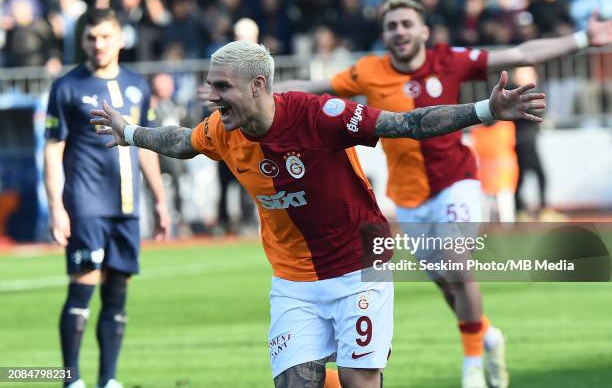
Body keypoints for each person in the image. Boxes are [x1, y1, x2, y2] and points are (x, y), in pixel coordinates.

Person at [90, 39, 544, 388]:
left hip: (358, 268)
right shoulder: (221, 131)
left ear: (258, 85)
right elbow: (182, 143)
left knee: (357, 380)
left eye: (222, 86)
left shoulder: (319, 115)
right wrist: (130, 132)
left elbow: (404, 123)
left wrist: (487, 110)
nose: (212, 96)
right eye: (211, 85)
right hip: (294, 282)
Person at [274, 0, 612, 388]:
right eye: (391, 26)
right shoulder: (369, 71)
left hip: (457, 182)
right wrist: (253, 93)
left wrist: (582, 38)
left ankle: (472, 366)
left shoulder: (449, 60)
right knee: (447, 286)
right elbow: (310, 87)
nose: (399, 32)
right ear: (384, 34)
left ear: (423, 31)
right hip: (410, 197)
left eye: (406, 24)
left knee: (456, 262)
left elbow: (520, 51)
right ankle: (485, 334)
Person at [44, 8, 169, 388]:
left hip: (127, 209)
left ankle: (109, 380)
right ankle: (71, 380)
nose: (97, 45)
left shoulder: (137, 85)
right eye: (90, 38)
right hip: (86, 204)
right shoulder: (67, 86)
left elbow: (146, 146)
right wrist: (56, 207)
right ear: (82, 41)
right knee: (82, 288)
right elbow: (52, 149)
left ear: (120, 39)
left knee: (117, 295)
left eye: (104, 37)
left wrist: (161, 200)